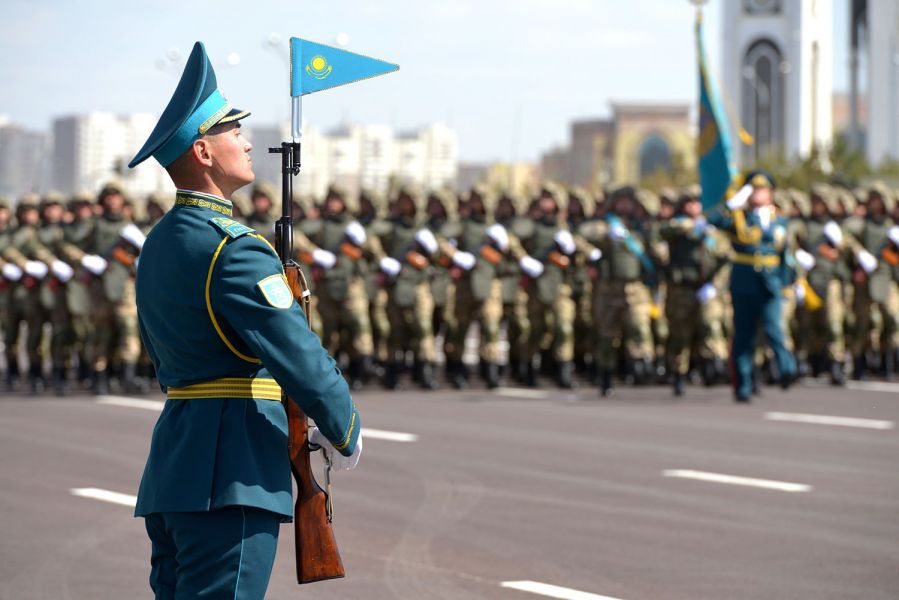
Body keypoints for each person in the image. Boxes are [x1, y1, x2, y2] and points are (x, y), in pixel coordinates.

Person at [127, 41, 362, 599]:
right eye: (233, 131)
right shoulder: (234, 249)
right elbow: (294, 347)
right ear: (203, 152)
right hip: (230, 473)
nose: (247, 141)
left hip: (175, 464)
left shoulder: (158, 244)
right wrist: (344, 424)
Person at [708, 171, 797, 402]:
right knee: (744, 336)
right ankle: (743, 385)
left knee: (774, 329)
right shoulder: (739, 218)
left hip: (771, 284)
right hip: (744, 283)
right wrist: (730, 204)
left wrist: (790, 282)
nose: (758, 194)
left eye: (762, 189)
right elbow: (712, 221)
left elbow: (786, 255)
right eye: (753, 189)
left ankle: (787, 369)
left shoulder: (780, 220)